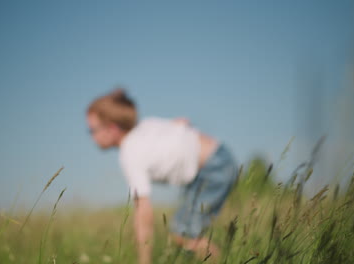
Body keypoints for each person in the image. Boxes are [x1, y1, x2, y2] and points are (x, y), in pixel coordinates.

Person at [86, 88, 239, 264]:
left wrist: (144, 260)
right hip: (217, 158)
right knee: (186, 232)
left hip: (213, 169)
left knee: (184, 234)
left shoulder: (130, 153)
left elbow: (143, 211)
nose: (91, 137)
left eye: (92, 130)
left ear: (112, 129)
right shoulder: (146, 125)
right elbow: (182, 123)